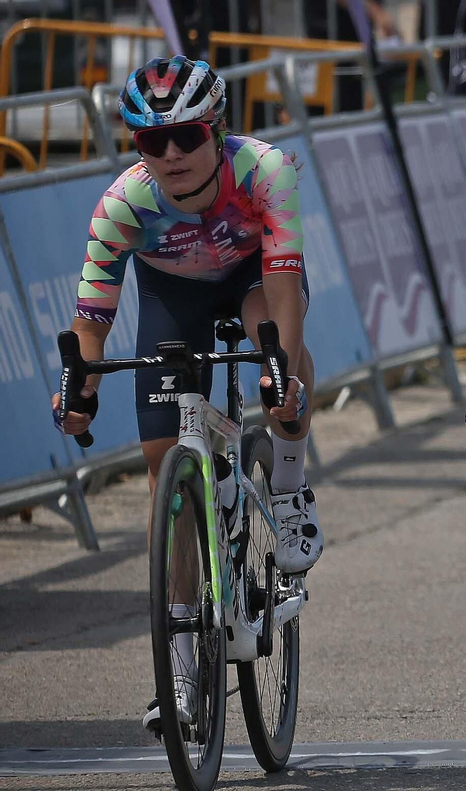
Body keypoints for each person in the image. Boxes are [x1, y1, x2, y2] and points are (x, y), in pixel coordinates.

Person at [52, 56, 318, 733]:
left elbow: (286, 294)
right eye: (150, 141)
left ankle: (288, 489)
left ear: (218, 131)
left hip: (255, 277)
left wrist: (280, 368)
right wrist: (79, 389)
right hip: (175, 297)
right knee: (163, 475)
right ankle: (180, 673)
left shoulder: (265, 170)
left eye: (187, 137)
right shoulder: (123, 204)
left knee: (273, 346)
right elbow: (91, 322)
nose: (170, 154)